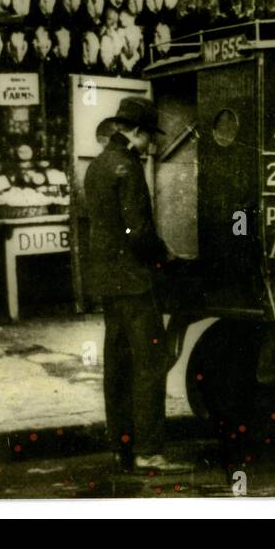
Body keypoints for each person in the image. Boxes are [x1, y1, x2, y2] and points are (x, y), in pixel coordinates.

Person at [83, 95, 182, 473]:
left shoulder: (98, 166)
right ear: (136, 133)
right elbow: (137, 230)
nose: (150, 147)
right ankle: (150, 451)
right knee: (150, 365)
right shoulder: (127, 166)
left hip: (108, 282)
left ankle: (122, 448)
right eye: (148, 139)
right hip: (135, 283)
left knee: (119, 366)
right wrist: (164, 255)